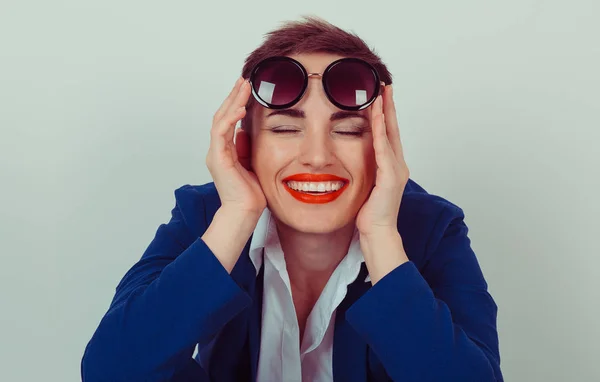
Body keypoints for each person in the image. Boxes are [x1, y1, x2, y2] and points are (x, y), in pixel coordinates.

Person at [81, 17, 502, 382]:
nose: (317, 157)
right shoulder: (207, 216)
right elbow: (112, 370)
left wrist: (380, 237)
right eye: (284, 129)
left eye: (349, 130)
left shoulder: (430, 229)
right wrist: (237, 216)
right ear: (244, 147)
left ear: (382, 148)